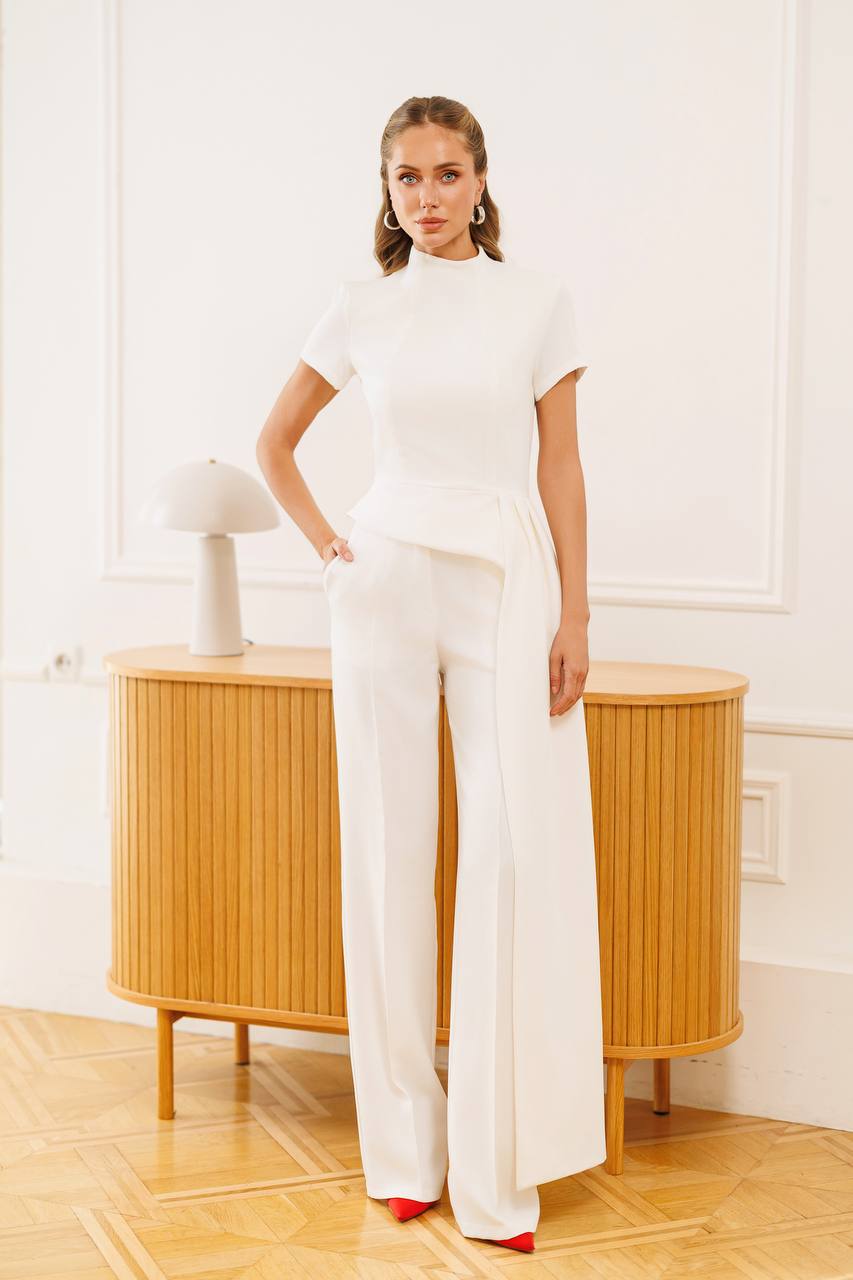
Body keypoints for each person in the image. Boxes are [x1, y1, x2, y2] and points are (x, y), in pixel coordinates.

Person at [256, 95, 606, 1253]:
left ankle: (499, 1169)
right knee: (389, 851)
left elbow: (560, 466)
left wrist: (575, 609)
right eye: (407, 178)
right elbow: (275, 442)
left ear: (480, 180)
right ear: (387, 190)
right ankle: (405, 1150)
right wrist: (332, 552)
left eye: (447, 174)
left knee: (505, 850)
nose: (427, 195)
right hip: (387, 579)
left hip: (505, 581)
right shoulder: (360, 307)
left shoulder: (534, 300)